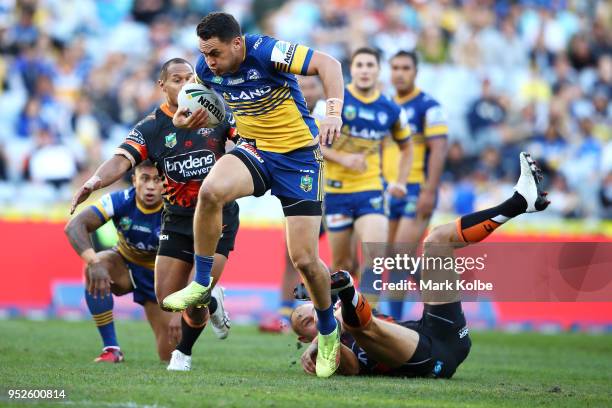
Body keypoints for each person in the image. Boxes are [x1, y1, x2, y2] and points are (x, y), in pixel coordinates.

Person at [161, 12, 345, 378]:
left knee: (305, 260)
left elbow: (330, 64)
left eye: (215, 53)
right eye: (204, 53)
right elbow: (199, 109)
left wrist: (332, 113)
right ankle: (201, 284)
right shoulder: (207, 69)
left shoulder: (267, 51)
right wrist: (186, 117)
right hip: (257, 151)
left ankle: (327, 331)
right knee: (211, 192)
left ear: (237, 43)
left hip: (299, 159)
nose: (209, 61)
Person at [293, 152, 550, 377]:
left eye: (312, 310)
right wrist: (321, 341)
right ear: (304, 339)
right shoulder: (328, 350)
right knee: (357, 325)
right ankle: (347, 289)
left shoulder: (337, 314)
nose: (316, 315)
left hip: (440, 333)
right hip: (428, 359)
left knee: (438, 240)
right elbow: (349, 365)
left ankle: (519, 202)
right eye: (308, 322)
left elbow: (339, 314)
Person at [70, 58, 236, 371]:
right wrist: (94, 181)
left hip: (218, 213)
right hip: (177, 218)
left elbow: (250, 146)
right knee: (168, 299)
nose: (185, 84)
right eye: (177, 79)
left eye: (190, 78)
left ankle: (183, 355)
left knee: (194, 293)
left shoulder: (217, 113)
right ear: (162, 86)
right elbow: (121, 160)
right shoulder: (150, 127)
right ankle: (213, 300)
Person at [321, 47, 411, 308]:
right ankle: (341, 320)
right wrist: (343, 159)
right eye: (359, 65)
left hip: (370, 190)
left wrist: (400, 182)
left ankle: (368, 323)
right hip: (336, 192)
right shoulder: (334, 101)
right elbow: (314, 142)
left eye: (370, 65)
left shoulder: (390, 109)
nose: (364, 70)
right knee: (343, 265)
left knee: (375, 257)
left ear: (378, 70)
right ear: (352, 69)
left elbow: (407, 147)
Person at [65, 160, 173, 362]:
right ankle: (111, 349)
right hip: (124, 265)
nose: (150, 186)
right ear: (134, 180)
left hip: (160, 278)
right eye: (145, 178)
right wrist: (94, 262)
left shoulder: (176, 209)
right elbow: (74, 226)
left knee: (170, 355)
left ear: (166, 183)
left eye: (157, 180)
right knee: (95, 266)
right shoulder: (119, 200)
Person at [382, 50, 448, 320]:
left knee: (400, 254)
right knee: (393, 257)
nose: (399, 73)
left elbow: (440, 149)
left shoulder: (428, 106)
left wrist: (430, 191)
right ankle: (432, 303)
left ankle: (435, 307)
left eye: (405, 68)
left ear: (416, 72)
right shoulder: (385, 105)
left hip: (416, 189)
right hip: (388, 190)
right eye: (395, 67)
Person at [259, 75, 326, 334]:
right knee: (295, 256)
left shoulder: (326, 116)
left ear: (321, 90)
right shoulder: (289, 115)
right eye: (303, 87)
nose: (307, 92)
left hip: (334, 195)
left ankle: (343, 312)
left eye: (312, 87)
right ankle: (287, 312)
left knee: (337, 259)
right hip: (303, 192)